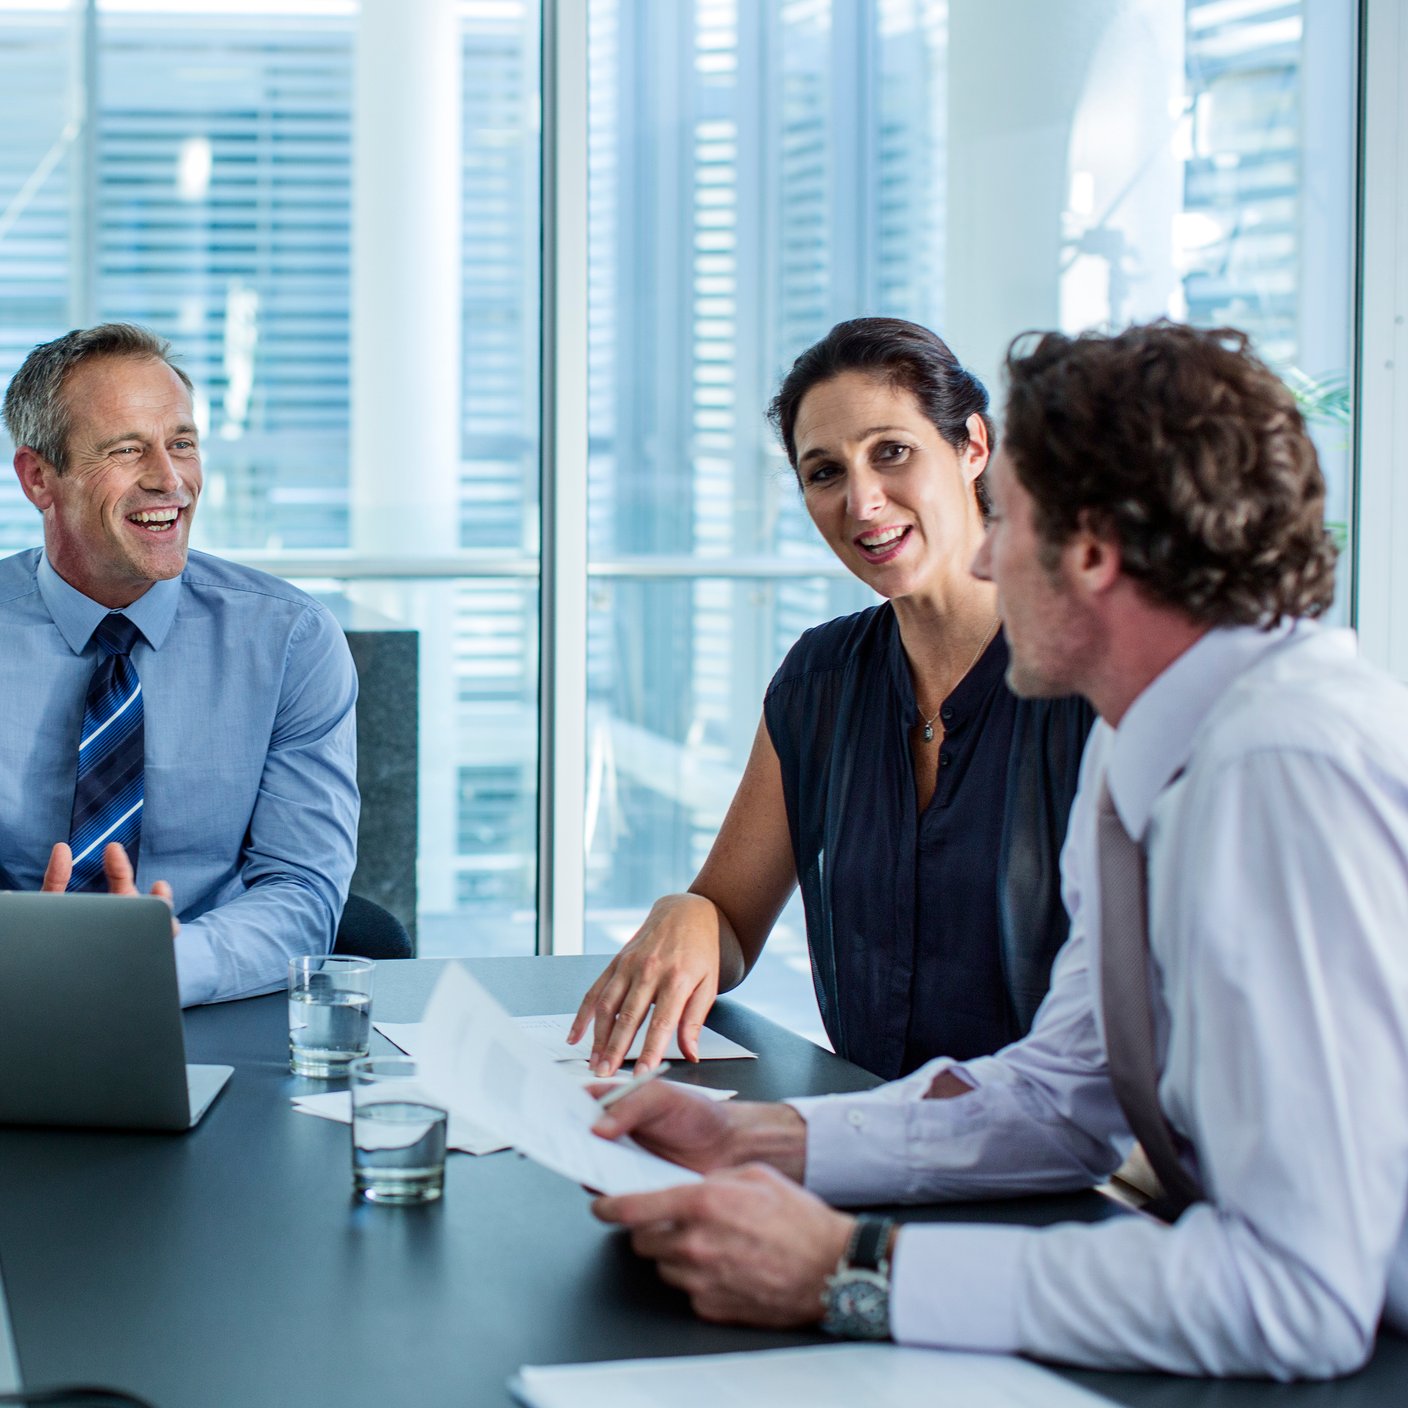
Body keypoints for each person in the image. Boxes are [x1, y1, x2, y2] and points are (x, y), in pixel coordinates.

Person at [590, 321, 1408, 1380]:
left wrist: (858, 1267)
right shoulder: (1142, 744)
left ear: (1093, 551)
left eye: (1007, 518)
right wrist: (765, 1140)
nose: (981, 551)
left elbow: (1295, 1297)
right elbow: (1058, 1093)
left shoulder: (1278, 763)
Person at [572, 319, 1091, 1080]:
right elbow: (732, 924)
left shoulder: (1085, 678)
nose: (862, 501)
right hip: (866, 1141)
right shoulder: (824, 677)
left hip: (1057, 1164)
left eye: (892, 452)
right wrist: (687, 914)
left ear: (972, 447)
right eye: (824, 473)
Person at [0, 323, 358, 1005]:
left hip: (206, 1002)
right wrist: (23, 952)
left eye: (183, 444)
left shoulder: (289, 641)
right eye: (127, 450)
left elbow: (303, 890)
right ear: (39, 478)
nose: (170, 480)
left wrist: (165, 964)